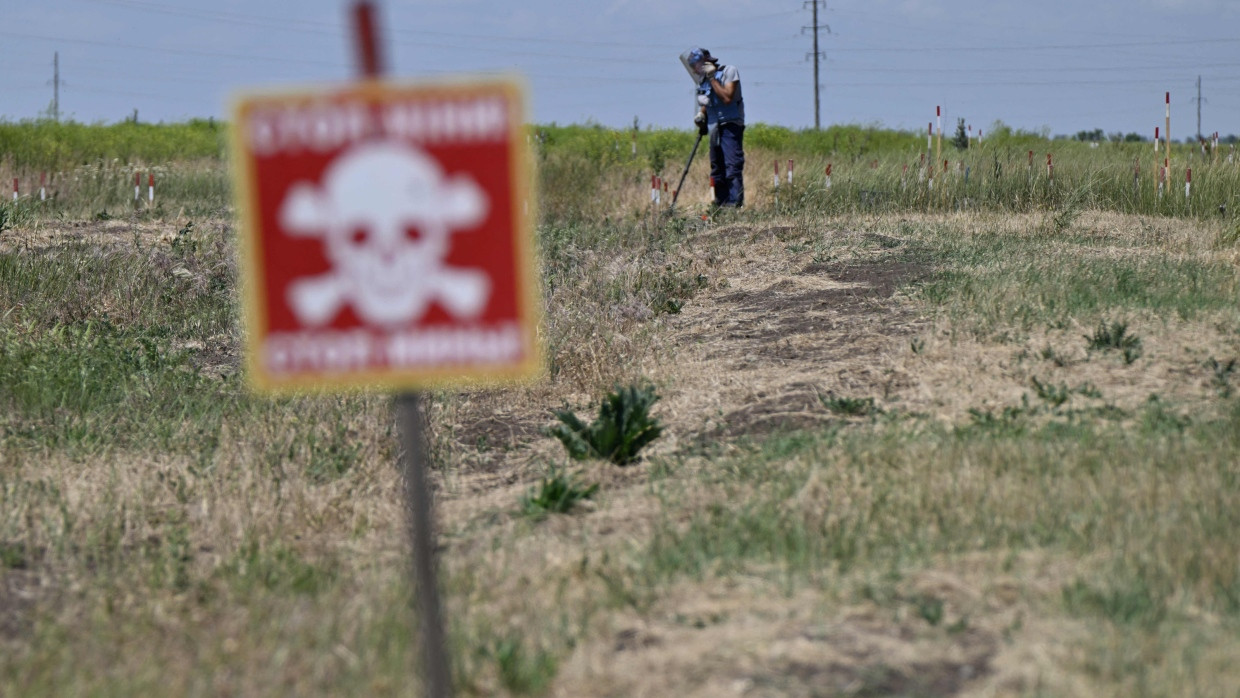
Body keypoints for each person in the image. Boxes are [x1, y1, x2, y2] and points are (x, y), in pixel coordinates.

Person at [689, 48, 744, 207]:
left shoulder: (729, 71)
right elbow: (709, 100)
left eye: (696, 65)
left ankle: (734, 205)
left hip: (731, 124)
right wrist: (701, 115)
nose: (694, 69)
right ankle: (720, 204)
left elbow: (727, 97)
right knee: (717, 168)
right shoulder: (703, 80)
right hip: (714, 125)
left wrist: (713, 78)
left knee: (732, 166)